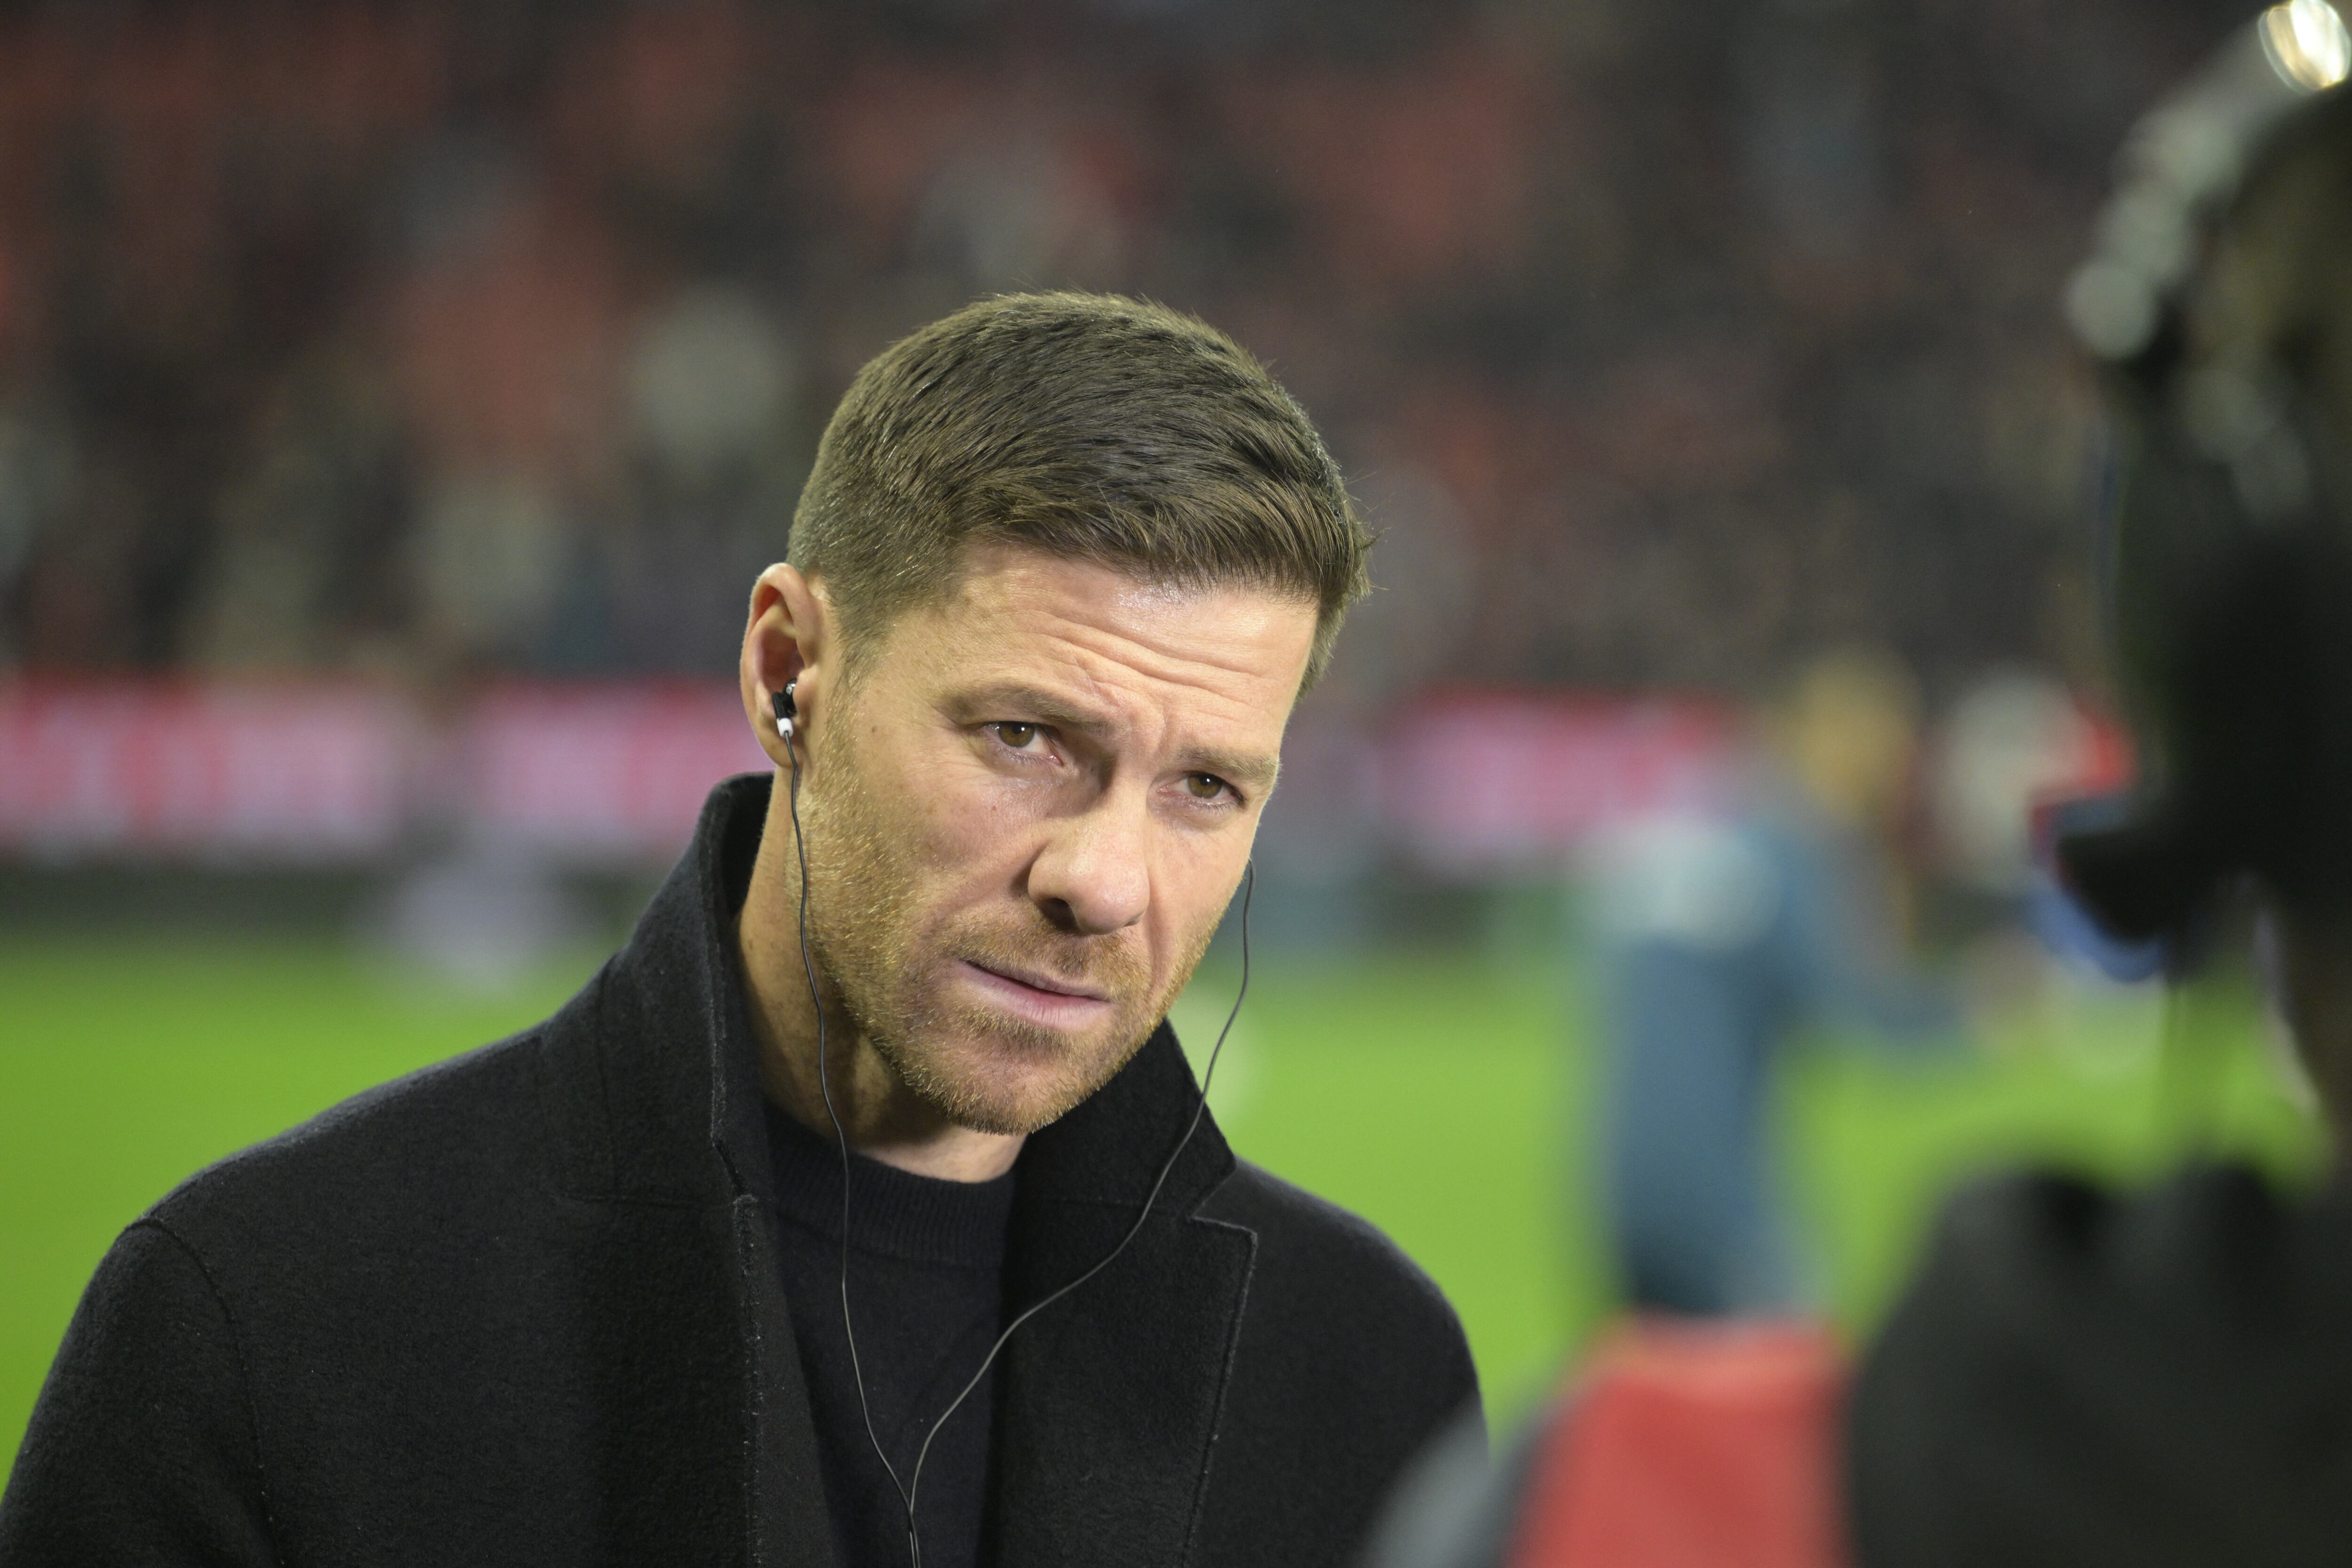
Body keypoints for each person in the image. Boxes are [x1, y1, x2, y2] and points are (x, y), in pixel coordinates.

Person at [0, 293, 1478, 1568]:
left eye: (1207, 785)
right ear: (791, 670)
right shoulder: (262, 1324)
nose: (1103, 876)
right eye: (1024, 734)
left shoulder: (1369, 1375)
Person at [1587, 648, 1955, 1316]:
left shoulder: (1708, 834)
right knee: (1798, 1384)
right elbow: (1865, 1017)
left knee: (1668, 1400)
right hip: (1717, 1195)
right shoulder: (1797, 853)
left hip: (1622, 1185)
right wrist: (1984, 1009)